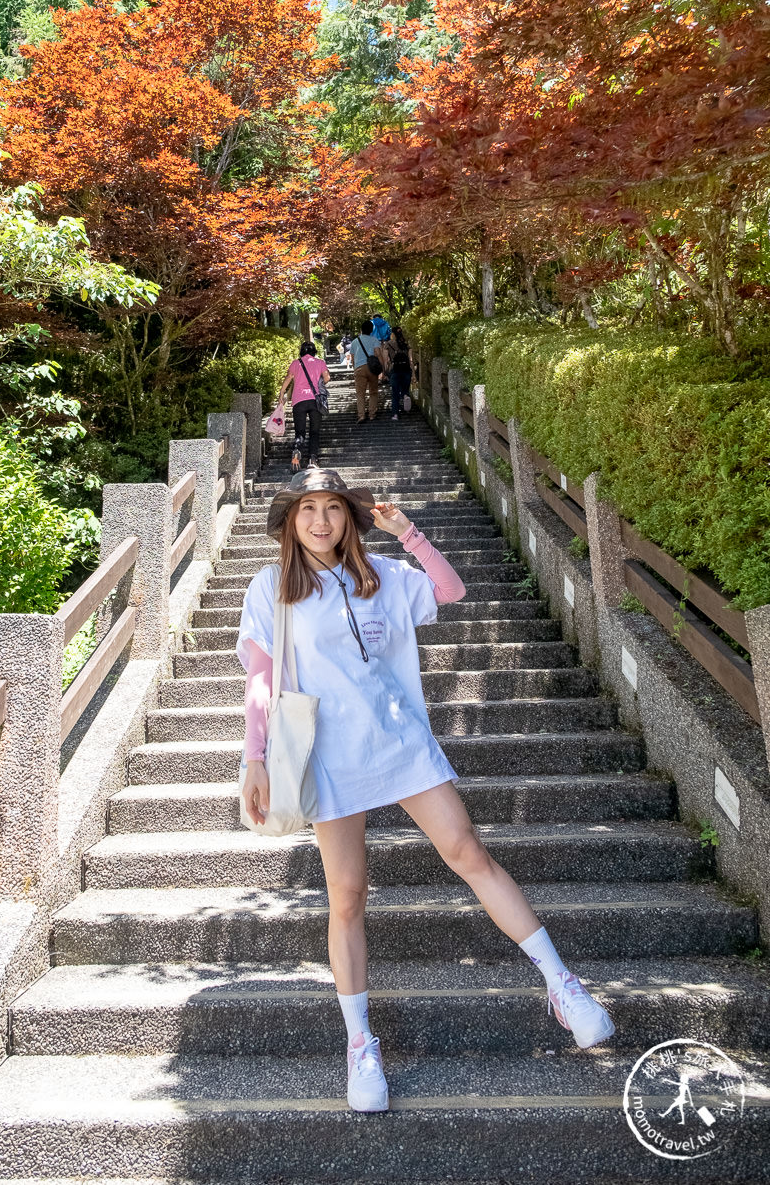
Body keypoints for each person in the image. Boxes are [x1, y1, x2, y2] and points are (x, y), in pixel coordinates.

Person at [238, 468, 616, 1114]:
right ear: (289, 520)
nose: (322, 521)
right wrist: (255, 758)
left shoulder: (380, 575)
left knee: (469, 852)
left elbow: (449, 587)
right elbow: (260, 679)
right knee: (348, 896)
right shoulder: (273, 586)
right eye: (308, 509)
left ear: (350, 518)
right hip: (327, 753)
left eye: (333, 508)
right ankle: (361, 1045)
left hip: (397, 739)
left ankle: (562, 984)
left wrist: (406, 530)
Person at [278, 340, 331, 472]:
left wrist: (282, 392)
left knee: (300, 432)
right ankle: (312, 460)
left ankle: (296, 454)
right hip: (315, 400)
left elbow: (288, 378)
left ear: (302, 351)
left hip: (299, 401)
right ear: (314, 352)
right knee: (314, 431)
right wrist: (319, 383)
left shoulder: (296, 363)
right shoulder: (320, 363)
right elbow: (327, 378)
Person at [350, 318, 387, 423]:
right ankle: (372, 414)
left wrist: (355, 369)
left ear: (361, 330)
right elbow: (378, 354)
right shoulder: (374, 340)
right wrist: (382, 369)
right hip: (372, 368)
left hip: (359, 368)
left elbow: (352, 358)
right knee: (373, 392)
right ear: (371, 330)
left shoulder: (354, 342)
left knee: (360, 394)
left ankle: (361, 415)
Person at [388, 327, 414, 422]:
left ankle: (395, 414)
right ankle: (405, 395)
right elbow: (411, 360)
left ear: (392, 334)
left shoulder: (389, 344)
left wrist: (385, 370)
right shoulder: (406, 345)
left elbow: (386, 359)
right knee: (405, 389)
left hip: (395, 370)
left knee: (395, 394)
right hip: (406, 370)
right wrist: (414, 375)